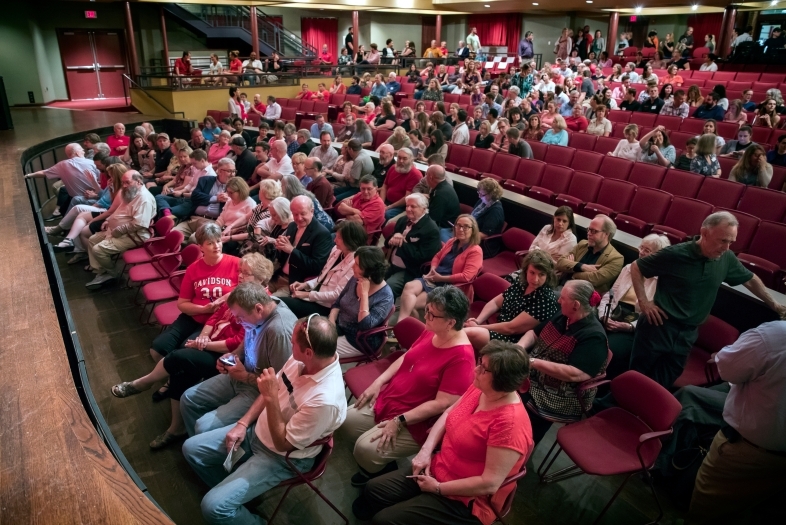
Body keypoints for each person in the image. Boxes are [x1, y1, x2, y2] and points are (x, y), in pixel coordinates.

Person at [182, 309, 345, 525]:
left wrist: (269, 397)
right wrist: (242, 423)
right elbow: (273, 387)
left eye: (293, 341)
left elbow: (283, 443)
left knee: (213, 508)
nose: (289, 341)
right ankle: (234, 494)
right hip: (257, 431)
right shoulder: (301, 361)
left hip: (280, 457)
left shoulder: (326, 401)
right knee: (191, 449)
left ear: (308, 352)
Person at [353, 339, 533, 525]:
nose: (475, 370)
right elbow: (449, 413)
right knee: (373, 489)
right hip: (440, 467)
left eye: (484, 369)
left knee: (384, 520)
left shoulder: (510, 425)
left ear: (502, 381)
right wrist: (425, 452)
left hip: (465, 499)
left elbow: (489, 483)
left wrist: (438, 488)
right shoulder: (481, 388)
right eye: (480, 363)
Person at [111, 253, 272, 448]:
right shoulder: (239, 291)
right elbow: (215, 316)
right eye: (240, 272)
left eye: (246, 274)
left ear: (261, 278)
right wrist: (203, 336)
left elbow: (238, 342)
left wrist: (203, 344)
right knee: (181, 369)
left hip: (229, 359)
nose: (239, 276)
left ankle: (144, 383)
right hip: (211, 343)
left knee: (179, 357)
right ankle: (176, 428)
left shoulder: (261, 305)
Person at [627, 211, 786, 388]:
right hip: (659, 327)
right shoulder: (677, 254)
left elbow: (750, 279)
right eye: (723, 240)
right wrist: (644, 302)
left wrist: (774, 304)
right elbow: (637, 267)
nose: (726, 247)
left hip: (688, 333)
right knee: (638, 376)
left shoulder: (726, 258)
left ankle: (645, 412)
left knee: (664, 380)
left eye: (731, 242)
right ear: (704, 233)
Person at [340, 285, 475, 487]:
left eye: (431, 314)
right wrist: (378, 382)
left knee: (363, 449)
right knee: (345, 422)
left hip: (416, 420)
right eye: (427, 310)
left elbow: (441, 405)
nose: (425, 316)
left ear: (451, 322)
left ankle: (377, 473)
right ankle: (378, 457)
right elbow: (406, 357)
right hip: (393, 396)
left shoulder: (462, 358)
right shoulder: (433, 331)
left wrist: (400, 420)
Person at [689, 321, 786, 524]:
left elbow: (727, 369)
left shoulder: (773, 336)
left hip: (747, 451)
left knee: (704, 511)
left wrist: (724, 354)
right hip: (775, 457)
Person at [517, 280, 608, 444]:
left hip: (564, 392)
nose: (558, 300)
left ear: (576, 305)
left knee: (519, 403)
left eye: (563, 298)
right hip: (535, 370)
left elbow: (575, 374)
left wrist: (532, 362)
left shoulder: (594, 336)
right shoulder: (564, 315)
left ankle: (522, 446)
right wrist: (519, 347)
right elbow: (534, 333)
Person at [597, 234, 671, 381]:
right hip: (612, 313)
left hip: (636, 326)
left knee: (609, 350)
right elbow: (610, 295)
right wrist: (603, 315)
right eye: (641, 247)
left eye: (647, 250)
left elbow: (654, 315)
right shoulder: (629, 268)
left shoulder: (662, 281)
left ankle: (599, 385)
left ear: (658, 255)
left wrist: (629, 327)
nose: (641, 252)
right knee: (585, 335)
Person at [466, 250, 559, 352]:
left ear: (548, 276)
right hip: (499, 327)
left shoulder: (546, 299)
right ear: (526, 270)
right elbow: (495, 303)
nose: (535, 279)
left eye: (541, 275)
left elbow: (511, 328)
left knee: (468, 333)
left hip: (514, 341)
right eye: (532, 273)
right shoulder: (522, 284)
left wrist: (480, 327)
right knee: (464, 328)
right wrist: (477, 320)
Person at [398, 215, 483, 322]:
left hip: (450, 286)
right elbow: (437, 256)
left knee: (412, 304)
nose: (461, 229)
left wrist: (441, 278)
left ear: (473, 230)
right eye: (458, 225)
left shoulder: (475, 251)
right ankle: (401, 324)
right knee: (409, 286)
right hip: (435, 277)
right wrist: (433, 269)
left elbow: (466, 277)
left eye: (466, 227)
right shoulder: (452, 241)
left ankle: (415, 329)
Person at [83, 171, 155, 289]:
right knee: (92, 239)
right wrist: (109, 220)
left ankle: (112, 274)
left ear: (139, 181)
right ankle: (101, 271)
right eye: (123, 183)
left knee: (98, 249)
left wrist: (119, 230)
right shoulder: (131, 192)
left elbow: (139, 224)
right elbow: (118, 211)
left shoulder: (144, 199)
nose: (124, 185)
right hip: (117, 230)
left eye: (127, 182)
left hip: (134, 235)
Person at [384, 193, 442, 298]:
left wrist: (402, 241)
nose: (408, 209)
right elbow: (387, 243)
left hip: (409, 270)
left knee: (388, 287)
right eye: (407, 206)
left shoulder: (431, 230)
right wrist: (395, 236)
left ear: (424, 209)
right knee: (371, 276)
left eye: (413, 206)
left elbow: (422, 258)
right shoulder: (403, 220)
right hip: (390, 263)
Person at [25, 143, 100, 216]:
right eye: (81, 149)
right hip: (96, 198)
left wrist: (28, 176)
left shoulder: (62, 165)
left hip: (79, 199)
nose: (83, 150)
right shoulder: (92, 163)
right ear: (77, 153)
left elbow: (44, 173)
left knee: (63, 202)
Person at [555, 214, 623, 294]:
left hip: (582, 297)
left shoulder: (616, 258)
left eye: (594, 231)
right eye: (589, 229)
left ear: (606, 234)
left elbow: (594, 279)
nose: (589, 233)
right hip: (560, 286)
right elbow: (560, 263)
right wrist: (581, 266)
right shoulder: (583, 244)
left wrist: (572, 269)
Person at [425, 165, 460, 243]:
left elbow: (433, 219)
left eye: (426, 174)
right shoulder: (443, 186)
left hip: (445, 229)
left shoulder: (441, 194)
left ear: (430, 177)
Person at [472, 179, 505, 258]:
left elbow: (485, 234)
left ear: (492, 194)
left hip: (484, 245)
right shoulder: (482, 202)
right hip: (472, 234)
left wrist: (467, 236)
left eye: (482, 194)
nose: (479, 196)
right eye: (478, 193)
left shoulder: (495, 211)